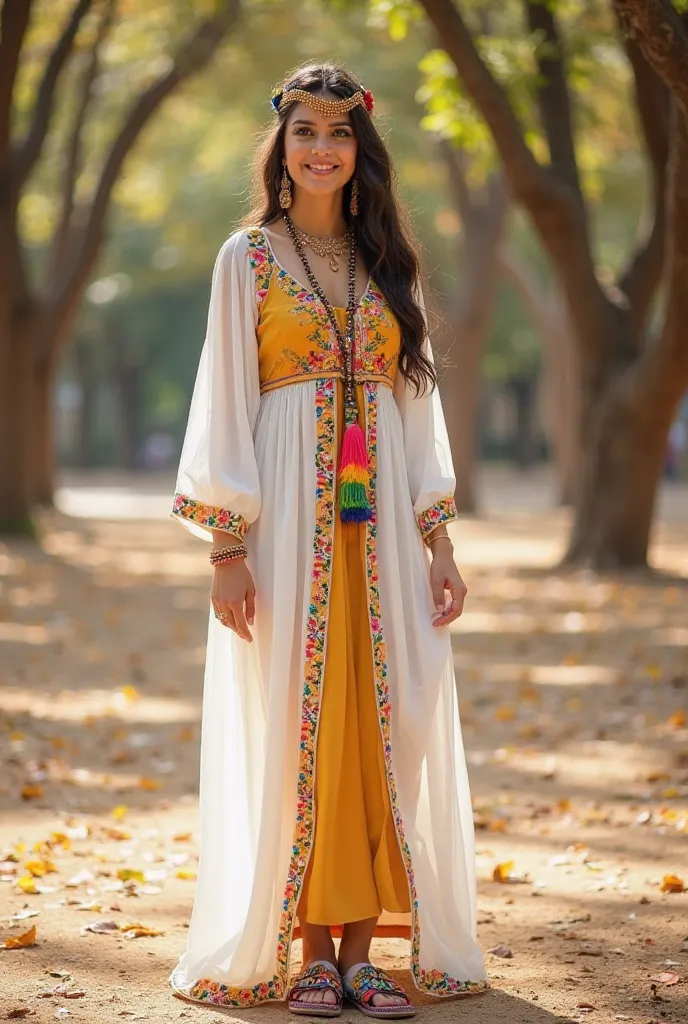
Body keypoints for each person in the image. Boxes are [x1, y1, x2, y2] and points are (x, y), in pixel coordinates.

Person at [168, 63, 488, 1019]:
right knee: (298, 718)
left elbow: (417, 409)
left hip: (381, 518)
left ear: (361, 152)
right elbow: (223, 398)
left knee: (389, 711)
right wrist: (228, 545)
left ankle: (361, 952)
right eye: (304, 131)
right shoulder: (247, 259)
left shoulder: (391, 264)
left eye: (339, 134)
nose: (321, 149)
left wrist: (439, 539)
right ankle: (308, 949)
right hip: (285, 523)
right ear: (282, 145)